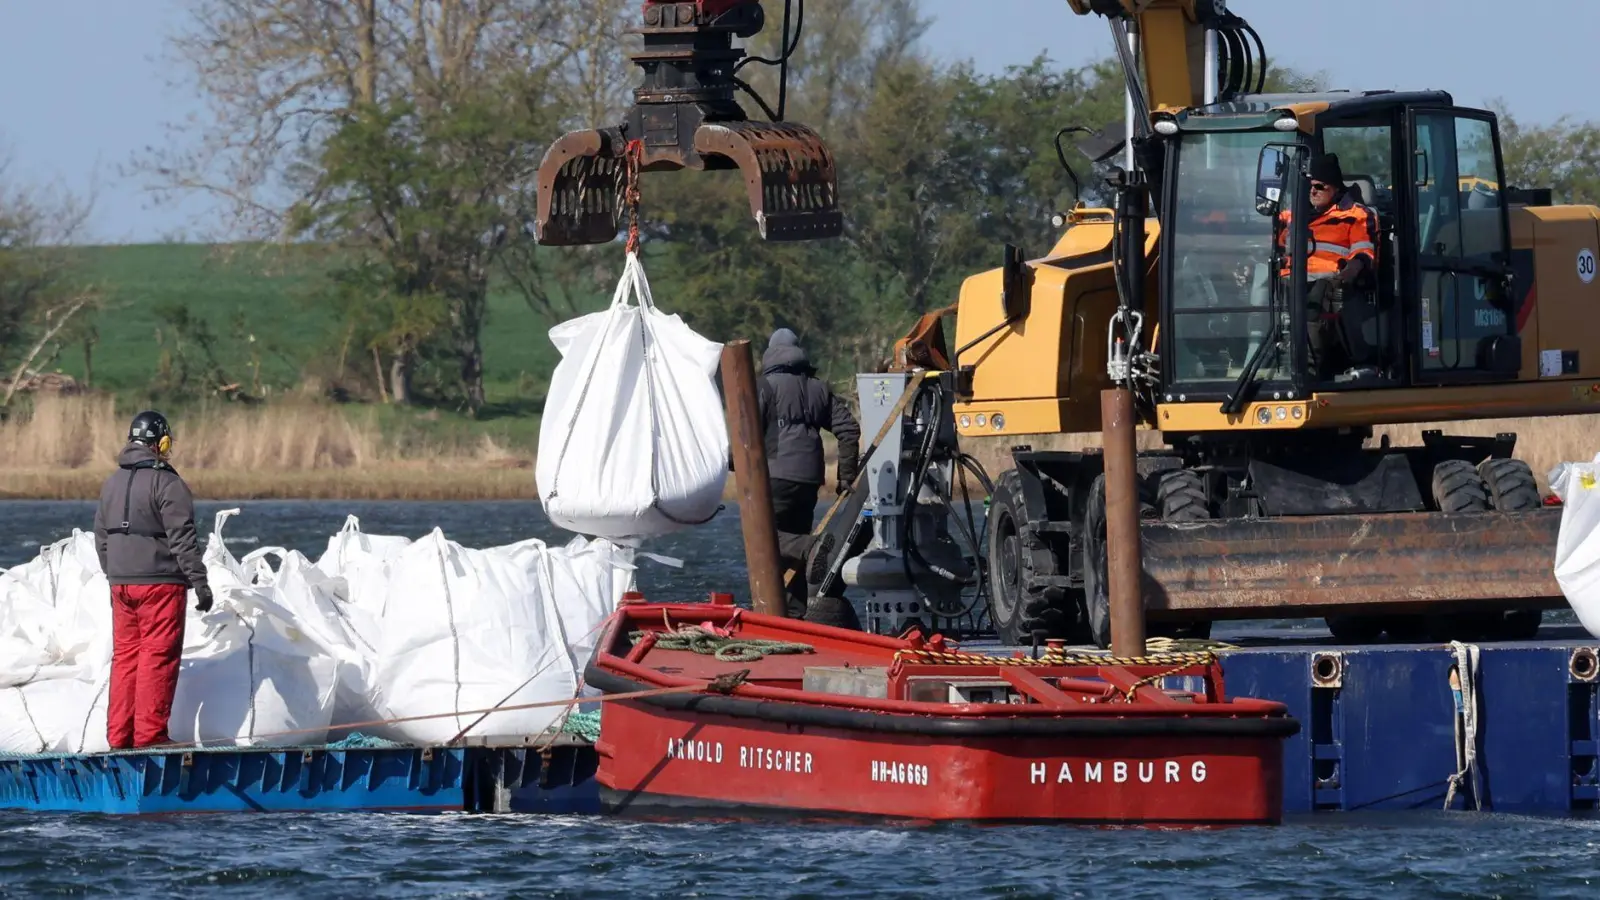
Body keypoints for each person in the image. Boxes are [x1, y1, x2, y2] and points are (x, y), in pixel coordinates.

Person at [93, 410, 213, 749]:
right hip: (160, 584)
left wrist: (114, 574)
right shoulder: (168, 483)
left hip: (120, 584)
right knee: (157, 656)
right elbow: (183, 540)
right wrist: (200, 583)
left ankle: (119, 738)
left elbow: (101, 538)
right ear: (160, 443)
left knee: (125, 657)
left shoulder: (111, 483)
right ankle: (150, 737)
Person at [756, 328, 861, 618]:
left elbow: (746, 436)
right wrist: (845, 476)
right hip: (809, 480)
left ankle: (811, 546)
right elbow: (849, 429)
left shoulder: (763, 387)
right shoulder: (818, 388)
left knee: (762, 539)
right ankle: (795, 617)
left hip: (775, 477)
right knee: (790, 549)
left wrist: (728, 461)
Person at [1275, 152, 1380, 375]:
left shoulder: (1356, 215)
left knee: (1316, 296)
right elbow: (1271, 242)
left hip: (1328, 283)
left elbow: (1363, 253)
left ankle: (1308, 371)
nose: (1312, 191)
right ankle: (1251, 353)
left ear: (1335, 188)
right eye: (1309, 186)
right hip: (1288, 280)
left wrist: (1349, 273)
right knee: (1259, 281)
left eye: (1319, 186)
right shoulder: (1292, 215)